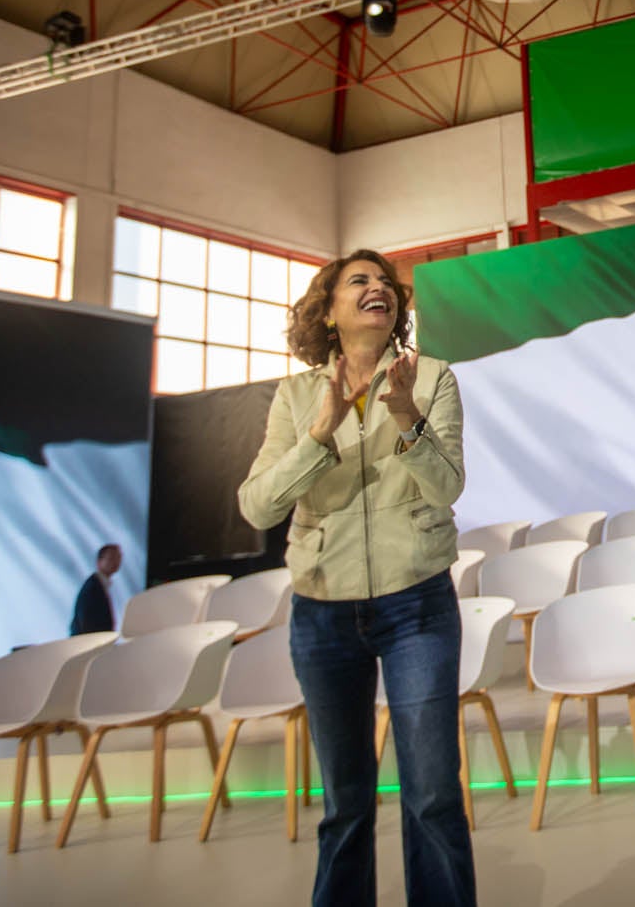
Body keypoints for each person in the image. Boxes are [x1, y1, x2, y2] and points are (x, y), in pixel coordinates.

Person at [238, 250, 473, 907]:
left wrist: (404, 414)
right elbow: (258, 504)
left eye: (386, 284)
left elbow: (449, 484)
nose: (379, 289)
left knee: (431, 794)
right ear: (330, 311)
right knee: (344, 802)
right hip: (322, 615)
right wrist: (319, 434)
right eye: (359, 281)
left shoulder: (431, 378)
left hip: (418, 607)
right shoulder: (295, 396)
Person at [69, 543, 121, 635]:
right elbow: (86, 622)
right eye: (111, 558)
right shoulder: (92, 587)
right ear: (99, 561)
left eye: (118, 558)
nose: (115, 562)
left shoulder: (100, 585)